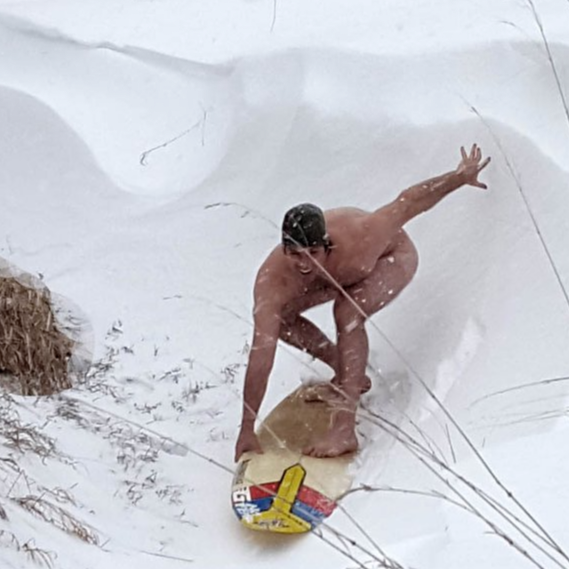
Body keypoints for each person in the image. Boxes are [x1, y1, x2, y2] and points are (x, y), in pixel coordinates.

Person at [234, 144, 490, 460]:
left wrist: (459, 177)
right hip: (334, 279)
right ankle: (346, 371)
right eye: (295, 254)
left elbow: (409, 202)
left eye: (312, 253)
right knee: (279, 319)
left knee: (347, 313)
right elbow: (261, 357)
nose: (304, 263)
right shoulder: (272, 282)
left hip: (392, 259)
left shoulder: (360, 237)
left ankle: (344, 429)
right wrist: (246, 427)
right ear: (284, 250)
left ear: (326, 246)